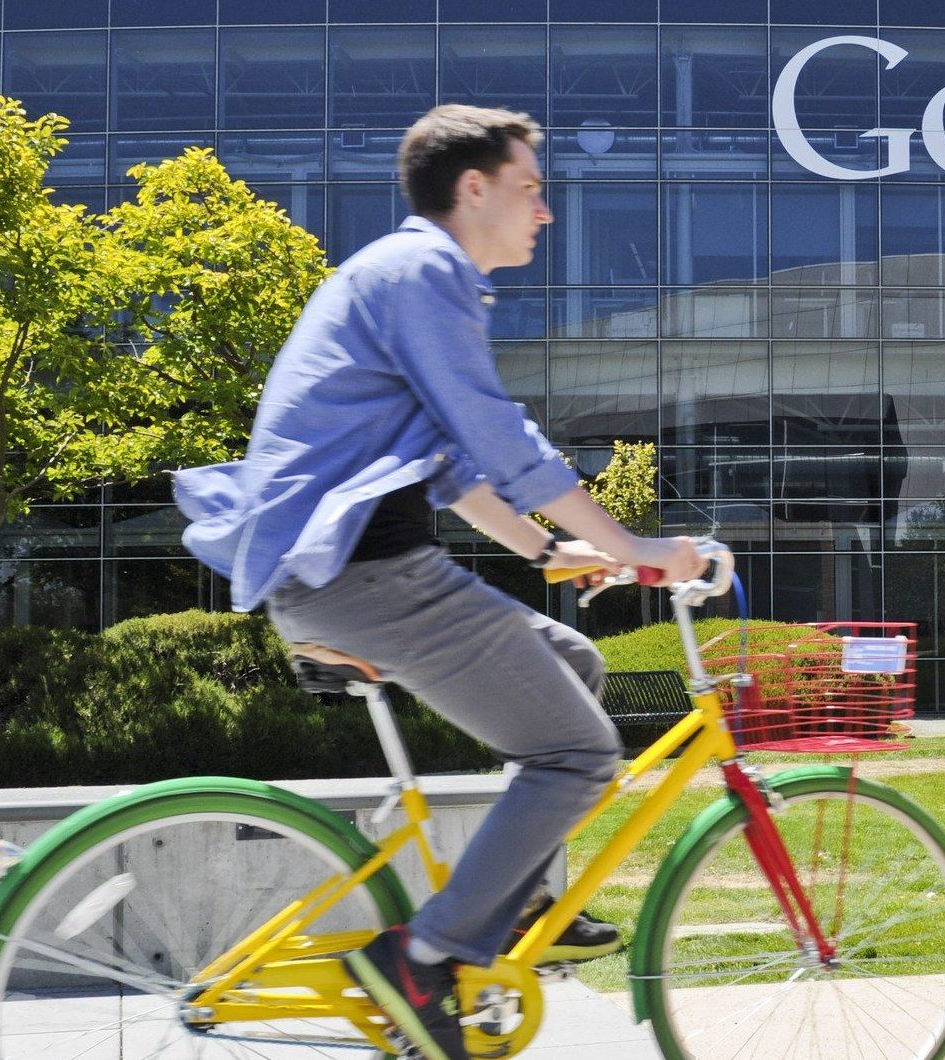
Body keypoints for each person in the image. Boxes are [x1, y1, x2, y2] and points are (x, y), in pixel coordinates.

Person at [175, 104, 703, 1060]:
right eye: (531, 188)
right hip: (365, 574)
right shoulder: (423, 271)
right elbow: (500, 436)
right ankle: (425, 957)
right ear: (473, 188)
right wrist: (634, 547)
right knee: (579, 757)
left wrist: (551, 554)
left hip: (356, 570)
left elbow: (455, 469)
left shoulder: (406, 276)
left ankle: (515, 900)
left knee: (575, 665)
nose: (545, 211)